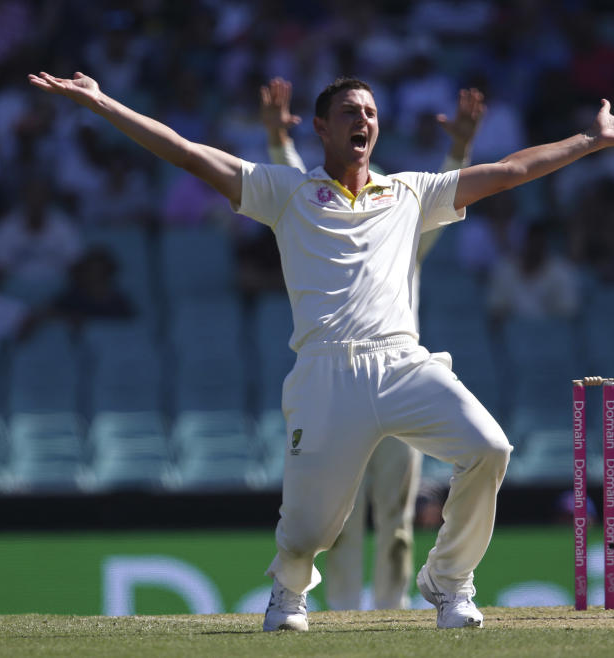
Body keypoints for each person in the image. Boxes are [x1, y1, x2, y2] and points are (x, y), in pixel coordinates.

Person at [28, 68, 614, 632]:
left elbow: (510, 172)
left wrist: (591, 140)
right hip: (326, 373)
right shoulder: (286, 192)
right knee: (309, 532)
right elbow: (189, 154)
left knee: (488, 448)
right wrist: (104, 102)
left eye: (372, 113)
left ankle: (447, 581)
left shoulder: (409, 192)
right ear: (324, 131)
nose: (365, 121)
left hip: (403, 363)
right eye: (351, 113)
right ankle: (287, 591)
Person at [258, 76, 486, 611]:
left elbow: (454, 188)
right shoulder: (322, 207)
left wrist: (460, 148)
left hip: (397, 378)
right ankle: (336, 612)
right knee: (332, 524)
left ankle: (391, 611)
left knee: (397, 523)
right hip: (337, 383)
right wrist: (274, 137)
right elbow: (299, 189)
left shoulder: (400, 211)